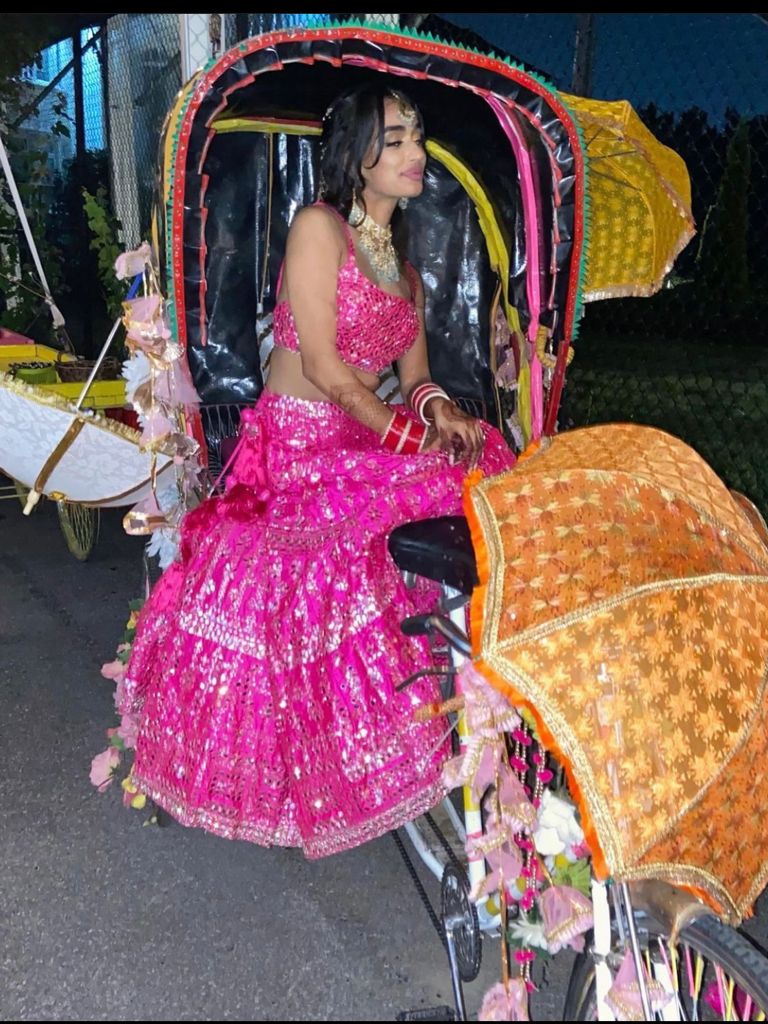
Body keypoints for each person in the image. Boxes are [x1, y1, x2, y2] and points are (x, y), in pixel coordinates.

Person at [118, 82, 515, 859]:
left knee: (486, 461)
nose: (414, 153)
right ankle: (383, 737)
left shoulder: (401, 262)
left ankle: (478, 686)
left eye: (417, 136)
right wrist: (411, 438)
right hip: (299, 452)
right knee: (381, 522)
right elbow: (333, 375)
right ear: (356, 156)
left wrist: (444, 417)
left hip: (364, 440)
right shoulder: (318, 228)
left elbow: (419, 377)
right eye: (394, 138)